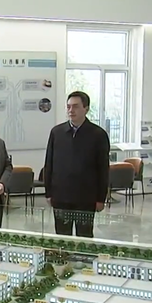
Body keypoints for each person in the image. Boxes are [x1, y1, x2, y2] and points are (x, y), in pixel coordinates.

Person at [43, 91, 110, 238]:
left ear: (86, 109)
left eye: (75, 106)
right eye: (68, 107)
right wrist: (48, 192)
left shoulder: (98, 135)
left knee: (84, 236)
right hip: (61, 196)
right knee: (62, 236)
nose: (71, 110)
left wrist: (101, 198)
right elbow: (49, 164)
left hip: (86, 197)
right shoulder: (57, 132)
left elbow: (103, 169)